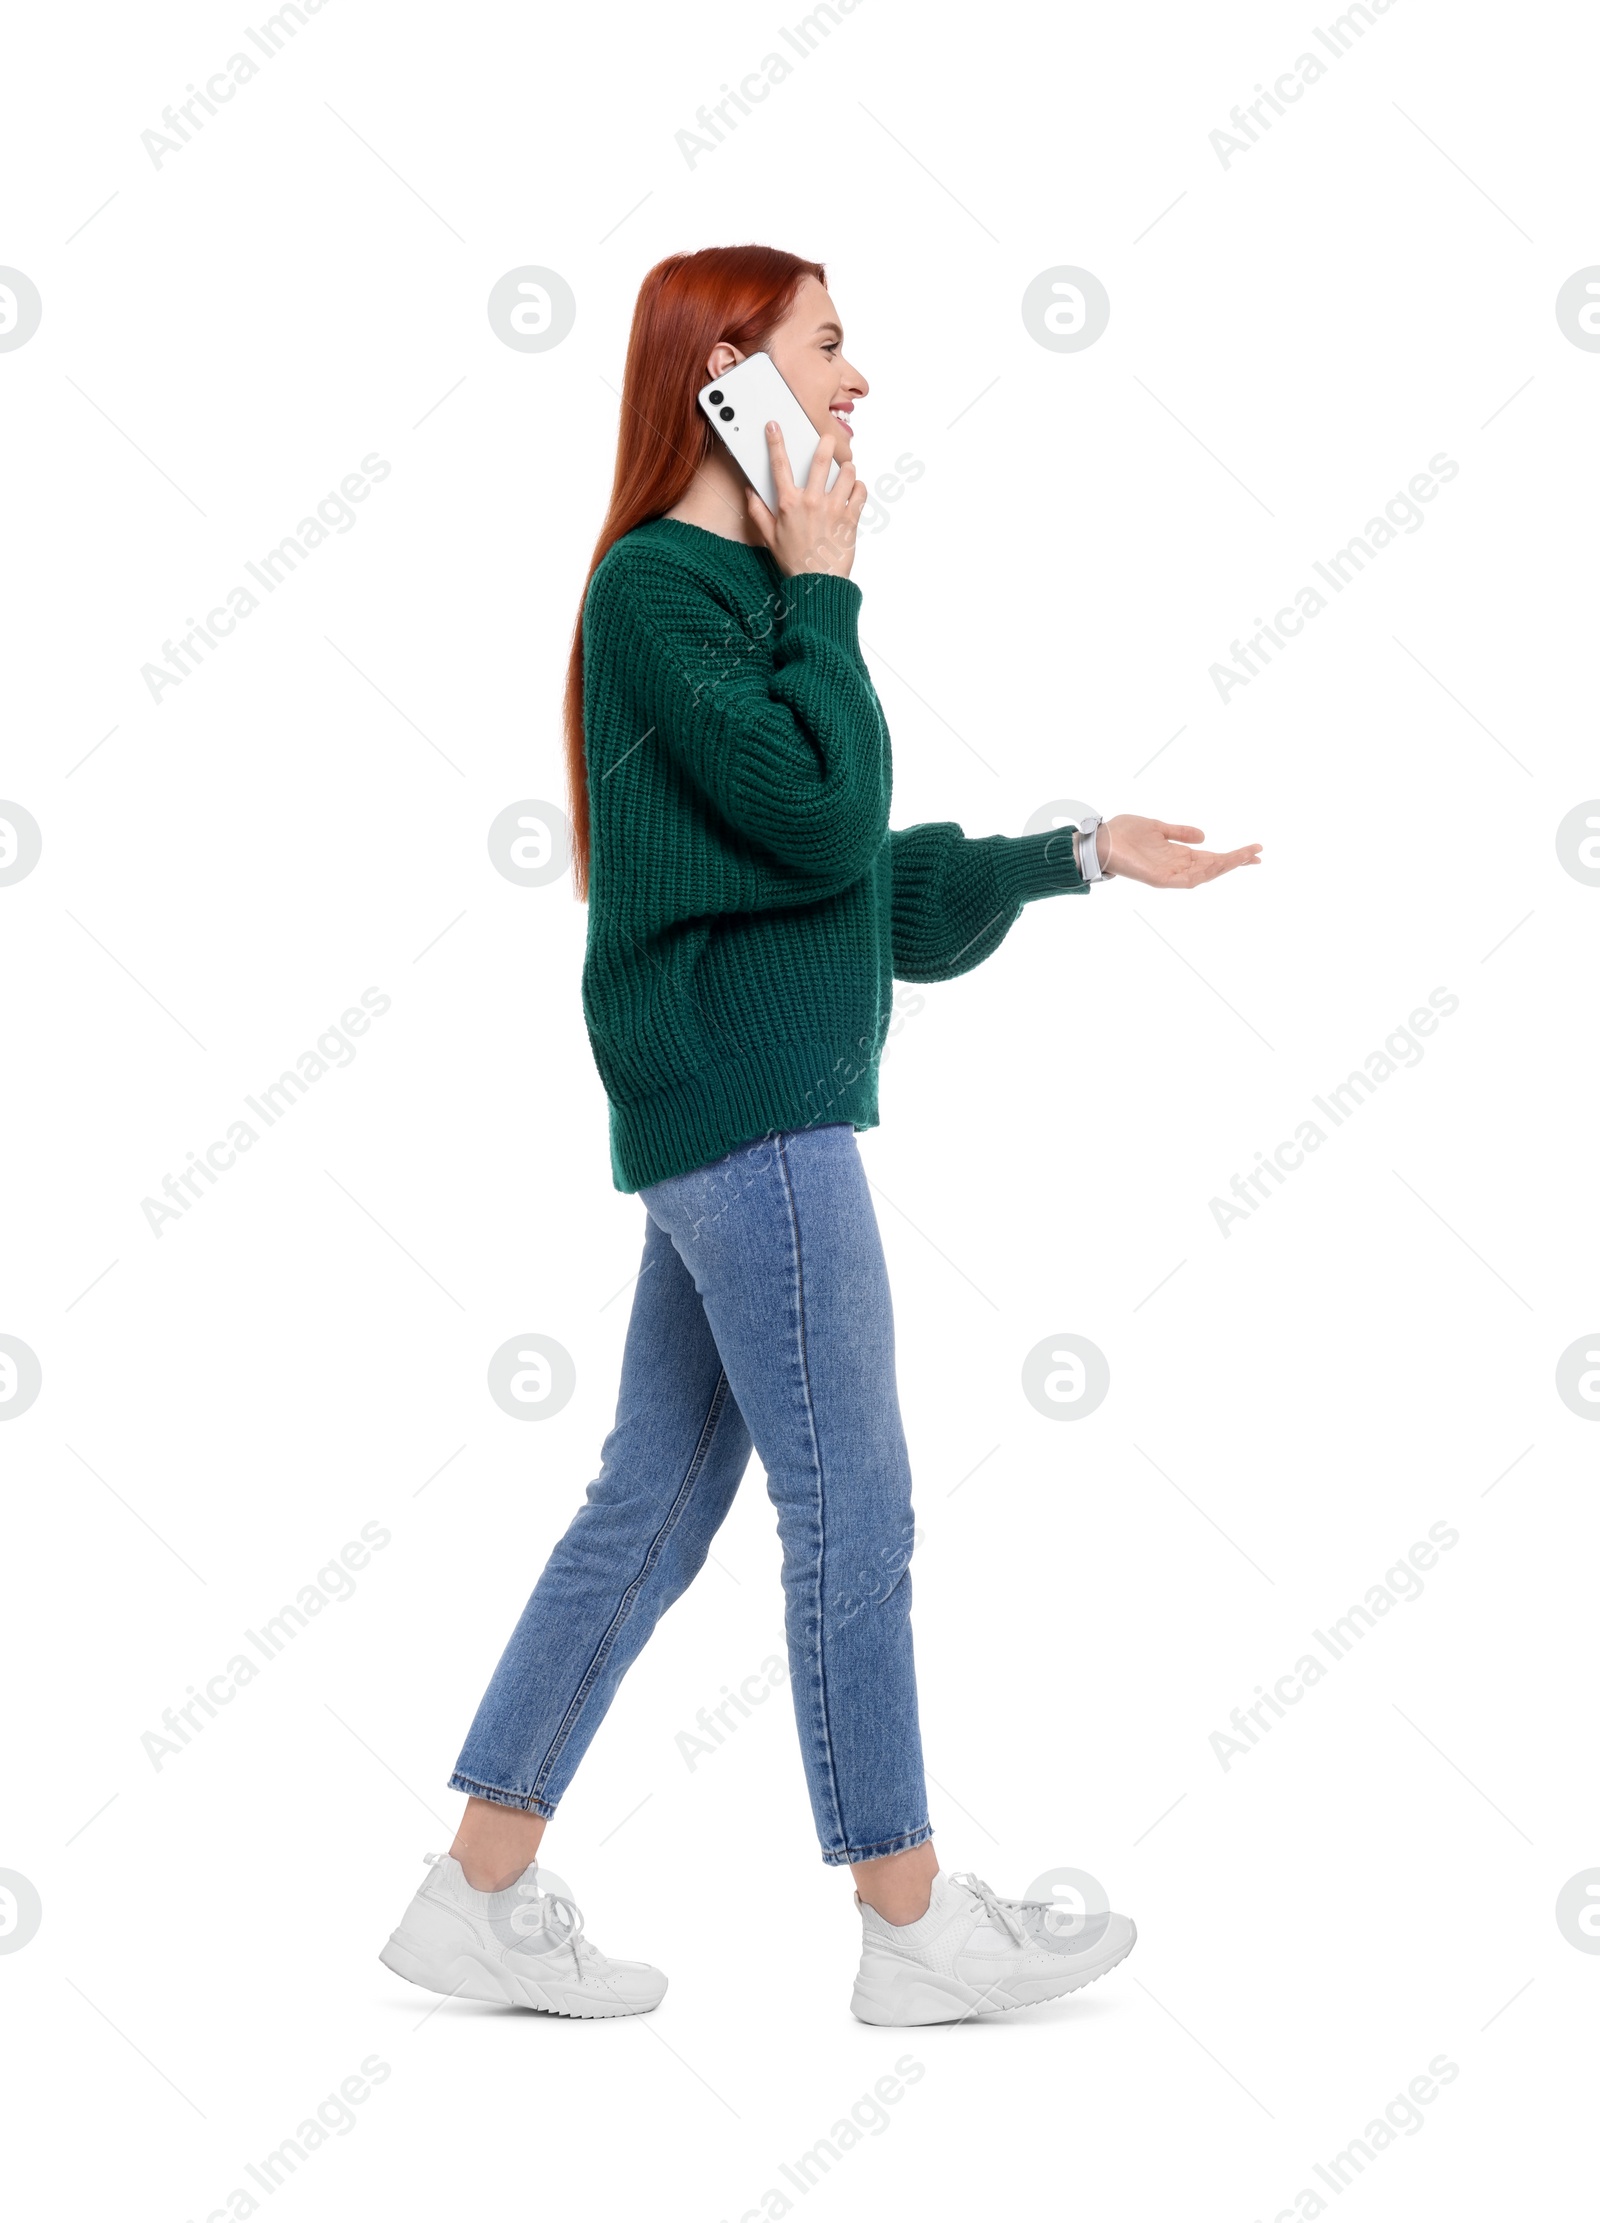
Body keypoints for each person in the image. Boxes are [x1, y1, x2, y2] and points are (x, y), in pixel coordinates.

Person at [380, 245, 1262, 2024]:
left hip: (737, 1115)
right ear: (728, 378)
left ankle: (475, 1888)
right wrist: (831, 586)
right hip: (758, 1123)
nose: (858, 385)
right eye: (828, 350)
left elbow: (852, 883)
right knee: (853, 1503)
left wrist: (1074, 854)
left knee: (656, 1497)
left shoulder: (741, 592)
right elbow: (815, 805)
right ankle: (910, 1919)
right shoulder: (665, 595)